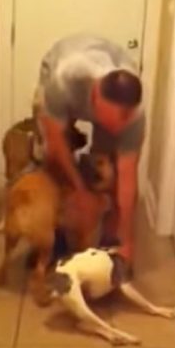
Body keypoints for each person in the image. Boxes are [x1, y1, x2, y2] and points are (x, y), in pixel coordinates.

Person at [33, 34, 146, 264]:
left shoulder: (135, 116)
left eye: (121, 121)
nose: (116, 126)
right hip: (60, 64)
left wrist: (127, 242)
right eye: (110, 118)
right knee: (51, 158)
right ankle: (57, 236)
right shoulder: (63, 82)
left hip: (106, 66)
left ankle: (106, 236)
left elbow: (128, 176)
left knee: (108, 168)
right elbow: (56, 144)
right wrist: (78, 188)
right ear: (94, 98)